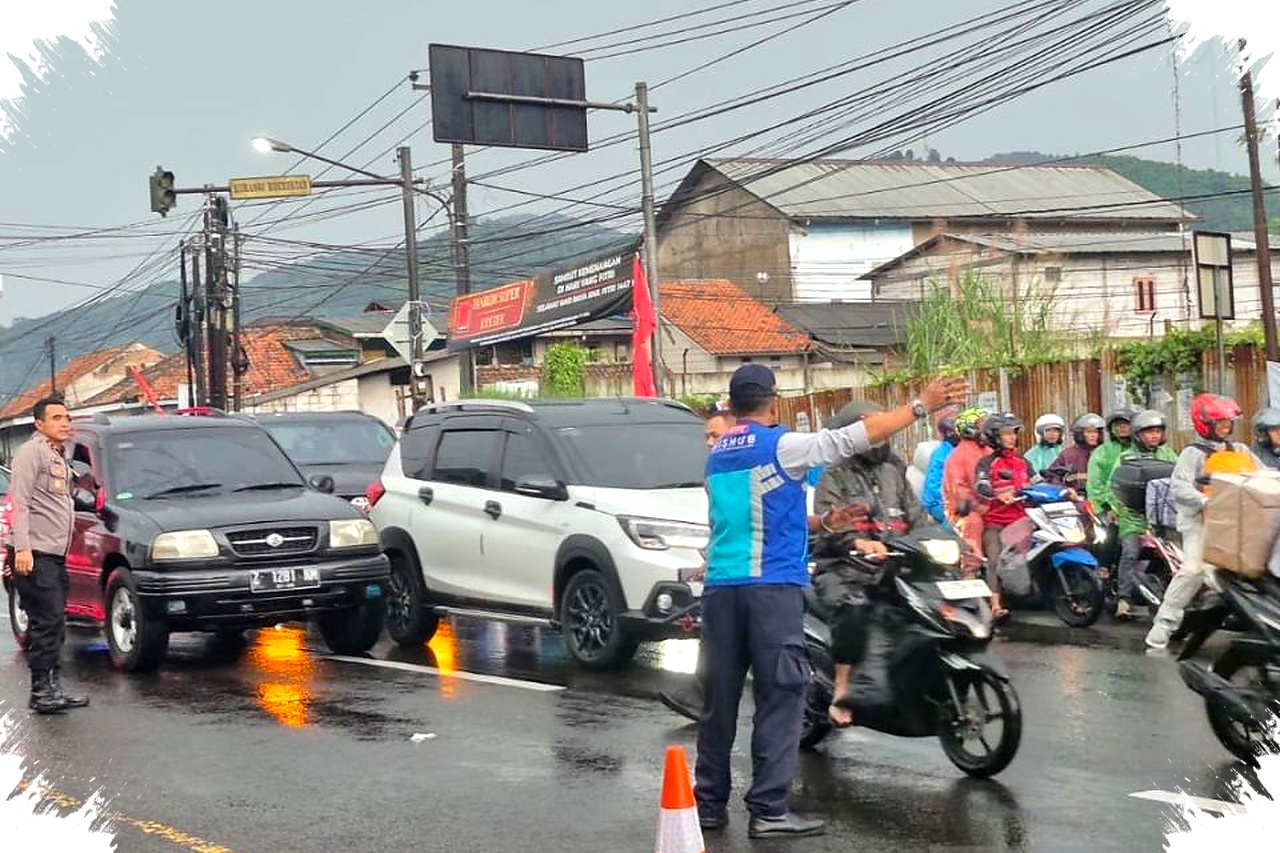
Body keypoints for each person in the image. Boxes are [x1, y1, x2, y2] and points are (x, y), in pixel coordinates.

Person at [697, 364, 967, 838]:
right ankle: (768, 810)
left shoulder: (719, 456)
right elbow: (849, 439)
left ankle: (708, 806)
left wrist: (826, 522)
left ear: (733, 404)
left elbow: (757, 516)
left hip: (722, 591)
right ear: (772, 401)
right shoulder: (780, 444)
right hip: (770, 590)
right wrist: (921, 404)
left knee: (719, 700)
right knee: (781, 695)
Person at [811, 400, 928, 729]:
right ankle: (843, 689)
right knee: (855, 605)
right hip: (843, 567)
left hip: (895, 565)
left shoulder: (894, 473)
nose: (878, 437)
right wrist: (857, 542)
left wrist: (950, 543)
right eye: (870, 430)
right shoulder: (833, 477)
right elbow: (833, 526)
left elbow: (919, 518)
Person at [1145, 395, 1259, 650]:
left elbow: (1260, 476)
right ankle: (1163, 624)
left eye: (1228, 423)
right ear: (1204, 424)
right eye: (1220, 423)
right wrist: (1205, 502)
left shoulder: (1240, 450)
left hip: (1236, 524)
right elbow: (1179, 487)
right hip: (1200, 524)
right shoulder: (1192, 454)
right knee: (1193, 570)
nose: (1225, 427)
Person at [8, 397, 90, 714]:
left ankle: (52, 687)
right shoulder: (32, 452)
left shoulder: (57, 454)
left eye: (67, 417)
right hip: (35, 553)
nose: (65, 423)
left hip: (53, 554)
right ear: (39, 424)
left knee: (56, 623)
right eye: (57, 418)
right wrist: (23, 547)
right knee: (46, 622)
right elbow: (20, 502)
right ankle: (41, 692)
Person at [1111, 410, 1178, 620]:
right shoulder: (1125, 457)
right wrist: (1116, 509)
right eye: (1149, 432)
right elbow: (1113, 487)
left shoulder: (1168, 455)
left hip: (1163, 519)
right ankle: (1124, 599)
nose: (1154, 436)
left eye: (1158, 431)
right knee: (1130, 552)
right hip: (1133, 519)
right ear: (1138, 434)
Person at [972, 413, 1032, 620]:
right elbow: (981, 487)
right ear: (995, 437)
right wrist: (998, 494)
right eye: (1006, 434)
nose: (1012, 438)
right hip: (997, 522)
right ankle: (996, 605)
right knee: (994, 559)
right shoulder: (987, 463)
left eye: (1014, 433)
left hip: (1024, 520)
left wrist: (1062, 490)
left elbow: (1039, 482)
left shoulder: (1023, 461)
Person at [942, 407, 992, 564]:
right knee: (973, 523)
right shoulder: (958, 456)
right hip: (964, 511)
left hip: (994, 505)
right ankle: (971, 568)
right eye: (982, 425)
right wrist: (978, 506)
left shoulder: (990, 451)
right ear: (970, 428)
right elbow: (958, 490)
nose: (987, 429)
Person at [1045, 413, 1104, 494]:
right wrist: (1066, 491)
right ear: (1079, 434)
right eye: (1089, 432)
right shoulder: (1068, 454)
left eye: (1095, 432)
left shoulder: (1105, 454)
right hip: (1075, 500)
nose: (1093, 435)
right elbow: (1052, 477)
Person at [921, 414, 959, 525]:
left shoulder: (962, 451)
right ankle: (946, 538)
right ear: (949, 433)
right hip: (938, 503)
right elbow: (934, 487)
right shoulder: (940, 455)